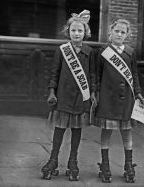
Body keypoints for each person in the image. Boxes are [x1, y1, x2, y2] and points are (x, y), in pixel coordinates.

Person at [41, 10, 97, 181]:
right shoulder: (62, 50)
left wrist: (93, 93)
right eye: (73, 30)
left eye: (80, 30)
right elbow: (54, 73)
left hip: (81, 98)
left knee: (76, 131)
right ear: (68, 31)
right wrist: (52, 91)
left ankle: (73, 161)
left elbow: (93, 75)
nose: (76, 33)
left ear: (85, 32)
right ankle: (53, 160)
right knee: (59, 130)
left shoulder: (89, 52)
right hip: (63, 96)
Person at [94, 19, 144, 183]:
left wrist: (138, 93)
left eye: (123, 32)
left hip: (126, 99)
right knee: (106, 131)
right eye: (117, 31)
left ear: (127, 35)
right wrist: (96, 93)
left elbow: (134, 74)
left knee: (126, 131)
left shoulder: (130, 52)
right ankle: (105, 164)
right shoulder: (103, 51)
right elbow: (97, 74)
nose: (119, 34)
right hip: (108, 98)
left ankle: (128, 165)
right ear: (111, 32)